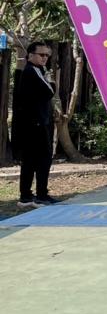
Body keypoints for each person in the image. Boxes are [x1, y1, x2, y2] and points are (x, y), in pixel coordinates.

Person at [13, 42, 57, 208]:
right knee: (43, 158)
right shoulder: (33, 70)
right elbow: (49, 91)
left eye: (47, 55)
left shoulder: (33, 71)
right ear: (31, 55)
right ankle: (41, 195)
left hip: (31, 123)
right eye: (41, 54)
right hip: (36, 124)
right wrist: (51, 81)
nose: (45, 58)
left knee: (29, 160)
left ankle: (25, 196)